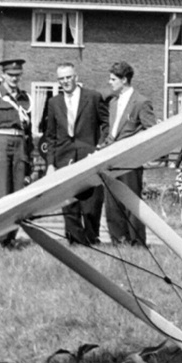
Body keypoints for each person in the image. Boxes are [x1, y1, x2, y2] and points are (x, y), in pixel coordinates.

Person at [41, 63, 108, 245]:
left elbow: (106, 124)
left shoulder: (93, 97)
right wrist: (50, 164)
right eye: (61, 79)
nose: (65, 82)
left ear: (76, 77)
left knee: (92, 203)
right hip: (64, 158)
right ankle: (75, 240)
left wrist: (100, 147)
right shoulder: (54, 103)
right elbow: (51, 135)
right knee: (69, 203)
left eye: (68, 77)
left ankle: (92, 238)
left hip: (89, 156)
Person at [101, 61, 153, 246]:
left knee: (132, 203)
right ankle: (118, 241)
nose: (110, 82)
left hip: (130, 161)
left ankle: (137, 242)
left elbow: (151, 130)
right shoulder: (113, 102)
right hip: (111, 160)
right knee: (112, 202)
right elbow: (112, 132)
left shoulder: (141, 102)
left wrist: (134, 145)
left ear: (124, 80)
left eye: (113, 79)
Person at [0, 58, 32, 205]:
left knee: (19, 190)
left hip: (20, 146)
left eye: (17, 75)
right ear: (3, 75)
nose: (14, 78)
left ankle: (14, 227)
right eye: (10, 75)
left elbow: (29, 131)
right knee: (0, 189)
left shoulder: (25, 98)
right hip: (0, 145)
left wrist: (29, 155)